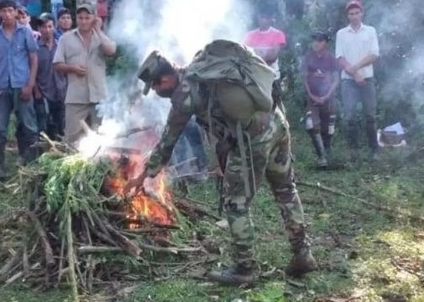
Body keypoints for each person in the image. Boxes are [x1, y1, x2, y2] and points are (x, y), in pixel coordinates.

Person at [128, 49, 317, 285]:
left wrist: (144, 174)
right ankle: (303, 253)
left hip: (252, 140)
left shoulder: (183, 95)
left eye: (155, 87)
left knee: (235, 203)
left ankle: (245, 268)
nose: (156, 92)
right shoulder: (202, 68)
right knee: (286, 189)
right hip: (276, 122)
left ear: (164, 79)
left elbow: (168, 140)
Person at [0, 0, 39, 178]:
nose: (7, 14)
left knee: (29, 126)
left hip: (22, 85)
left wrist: (30, 84)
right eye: (4, 11)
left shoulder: (25, 32)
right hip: (3, 87)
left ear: (16, 12)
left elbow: (33, 59)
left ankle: (32, 163)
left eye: (11, 10)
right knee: (0, 129)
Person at [53, 4, 117, 145]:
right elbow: (56, 64)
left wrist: (98, 31)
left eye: (87, 18)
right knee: (72, 139)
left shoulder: (100, 37)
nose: (83, 21)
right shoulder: (66, 38)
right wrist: (72, 68)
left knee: (102, 138)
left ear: (94, 18)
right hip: (76, 97)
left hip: (99, 97)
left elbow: (111, 51)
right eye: (80, 18)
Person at [335, 0, 380, 162]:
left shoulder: (370, 31)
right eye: (351, 13)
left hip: (367, 79)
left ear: (362, 13)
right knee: (350, 117)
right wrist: (354, 74)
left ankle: (374, 150)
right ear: (347, 15)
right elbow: (340, 58)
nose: (354, 16)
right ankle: (354, 150)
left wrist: (356, 69)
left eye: (357, 13)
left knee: (370, 116)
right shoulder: (341, 34)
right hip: (348, 81)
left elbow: (374, 54)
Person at [303, 31, 339, 167]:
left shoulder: (331, 58)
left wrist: (326, 96)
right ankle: (321, 157)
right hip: (312, 97)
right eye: (314, 40)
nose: (316, 43)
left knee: (328, 128)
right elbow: (304, 78)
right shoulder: (308, 58)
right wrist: (311, 95)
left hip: (328, 98)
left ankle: (328, 154)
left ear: (325, 43)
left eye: (319, 40)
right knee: (311, 125)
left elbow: (336, 79)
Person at [33, 13, 66, 140]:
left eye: (49, 26)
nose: (47, 30)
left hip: (61, 91)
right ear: (39, 29)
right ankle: (43, 153)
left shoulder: (61, 46)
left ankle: (61, 152)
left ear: (54, 27)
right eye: (43, 27)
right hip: (43, 92)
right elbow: (32, 72)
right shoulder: (35, 48)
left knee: (61, 125)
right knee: (43, 125)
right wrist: (36, 91)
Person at [243, 9, 287, 83]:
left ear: (271, 19)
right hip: (254, 78)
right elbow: (243, 54)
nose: (264, 21)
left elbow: (272, 57)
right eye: (262, 17)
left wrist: (254, 59)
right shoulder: (250, 35)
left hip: (272, 78)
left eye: (267, 18)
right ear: (258, 18)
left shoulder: (277, 34)